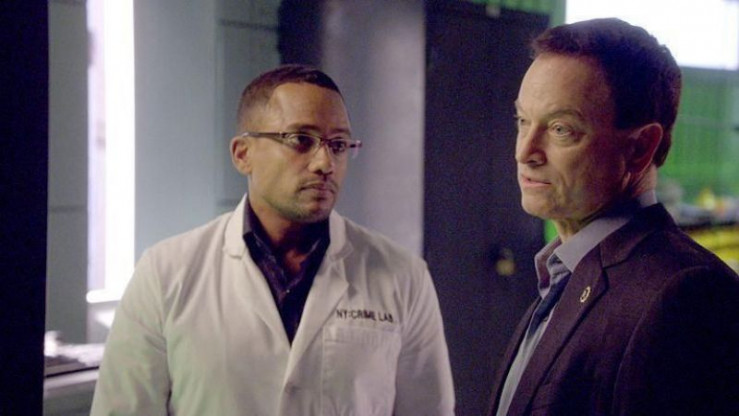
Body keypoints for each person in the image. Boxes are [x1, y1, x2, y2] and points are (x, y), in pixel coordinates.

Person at [91, 64, 455, 416]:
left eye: (339, 144)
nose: (325, 163)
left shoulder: (403, 277)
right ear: (243, 154)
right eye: (301, 140)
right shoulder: (165, 273)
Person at [488, 18, 739, 416]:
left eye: (561, 129)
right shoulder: (563, 272)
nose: (525, 152)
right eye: (523, 121)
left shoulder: (686, 296)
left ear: (640, 148)